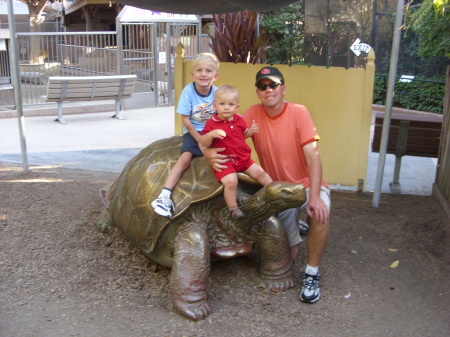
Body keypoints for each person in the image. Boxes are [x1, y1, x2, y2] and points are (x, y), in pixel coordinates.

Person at [203, 66, 330, 304]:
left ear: (283, 88)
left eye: (273, 85)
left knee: (321, 213)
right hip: (277, 188)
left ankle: (312, 272)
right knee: (285, 245)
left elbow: (313, 157)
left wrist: (314, 195)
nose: (268, 90)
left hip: (303, 184)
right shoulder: (249, 114)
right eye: (263, 86)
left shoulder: (299, 112)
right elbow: (224, 133)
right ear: (258, 92)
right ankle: (290, 246)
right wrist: (208, 153)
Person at [151, 53, 219, 218]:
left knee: (224, 156)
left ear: (215, 76)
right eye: (199, 70)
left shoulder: (217, 92)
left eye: (208, 71)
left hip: (211, 131)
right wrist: (200, 141)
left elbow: (221, 115)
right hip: (193, 131)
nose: (204, 74)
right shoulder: (188, 92)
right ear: (193, 74)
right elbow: (186, 120)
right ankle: (164, 195)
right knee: (185, 158)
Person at [200, 85, 273, 218]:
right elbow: (204, 142)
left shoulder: (239, 120)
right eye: (222, 104)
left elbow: (242, 135)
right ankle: (233, 208)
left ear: (236, 107)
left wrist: (251, 132)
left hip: (243, 159)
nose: (226, 107)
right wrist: (211, 135)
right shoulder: (211, 124)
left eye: (230, 104)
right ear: (215, 106)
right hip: (225, 162)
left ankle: (273, 190)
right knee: (231, 182)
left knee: (260, 172)